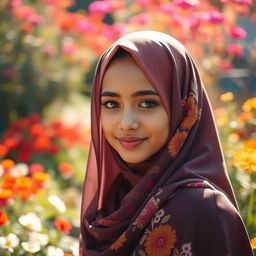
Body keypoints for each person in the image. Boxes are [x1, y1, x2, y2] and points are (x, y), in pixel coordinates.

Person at [80, 31, 254, 256]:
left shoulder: (200, 209)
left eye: (147, 103)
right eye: (112, 104)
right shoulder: (117, 198)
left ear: (184, 108)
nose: (127, 123)